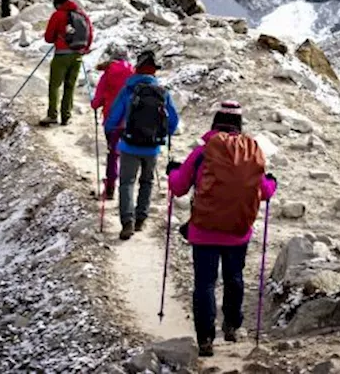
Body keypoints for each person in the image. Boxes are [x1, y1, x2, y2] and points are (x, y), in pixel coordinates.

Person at [167, 101, 276, 358]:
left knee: (204, 283)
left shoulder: (203, 153)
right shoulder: (251, 153)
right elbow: (264, 192)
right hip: (238, 230)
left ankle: (205, 339)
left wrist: (172, 171)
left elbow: (180, 187)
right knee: (234, 277)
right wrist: (272, 182)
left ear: (215, 123)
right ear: (239, 126)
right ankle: (232, 325)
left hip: (204, 229)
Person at [105, 50, 179, 240]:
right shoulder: (163, 93)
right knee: (147, 181)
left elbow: (115, 115)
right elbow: (173, 120)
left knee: (127, 182)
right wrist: (164, 133)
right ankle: (141, 218)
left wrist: (111, 129)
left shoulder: (129, 90)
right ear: (154, 72)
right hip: (152, 146)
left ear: (137, 70)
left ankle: (127, 221)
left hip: (129, 144)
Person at [41, 0, 92, 127]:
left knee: (55, 85)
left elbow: (48, 37)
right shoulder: (82, 15)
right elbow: (90, 35)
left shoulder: (58, 15)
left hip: (61, 55)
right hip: (77, 56)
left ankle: (52, 115)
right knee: (70, 86)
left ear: (58, 4)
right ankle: (66, 116)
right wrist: (83, 50)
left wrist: (58, 38)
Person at [90, 44, 133, 200]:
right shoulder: (133, 73)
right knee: (127, 154)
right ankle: (126, 189)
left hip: (111, 120)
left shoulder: (108, 73)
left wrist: (93, 103)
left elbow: (97, 101)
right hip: (131, 120)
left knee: (113, 153)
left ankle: (110, 188)